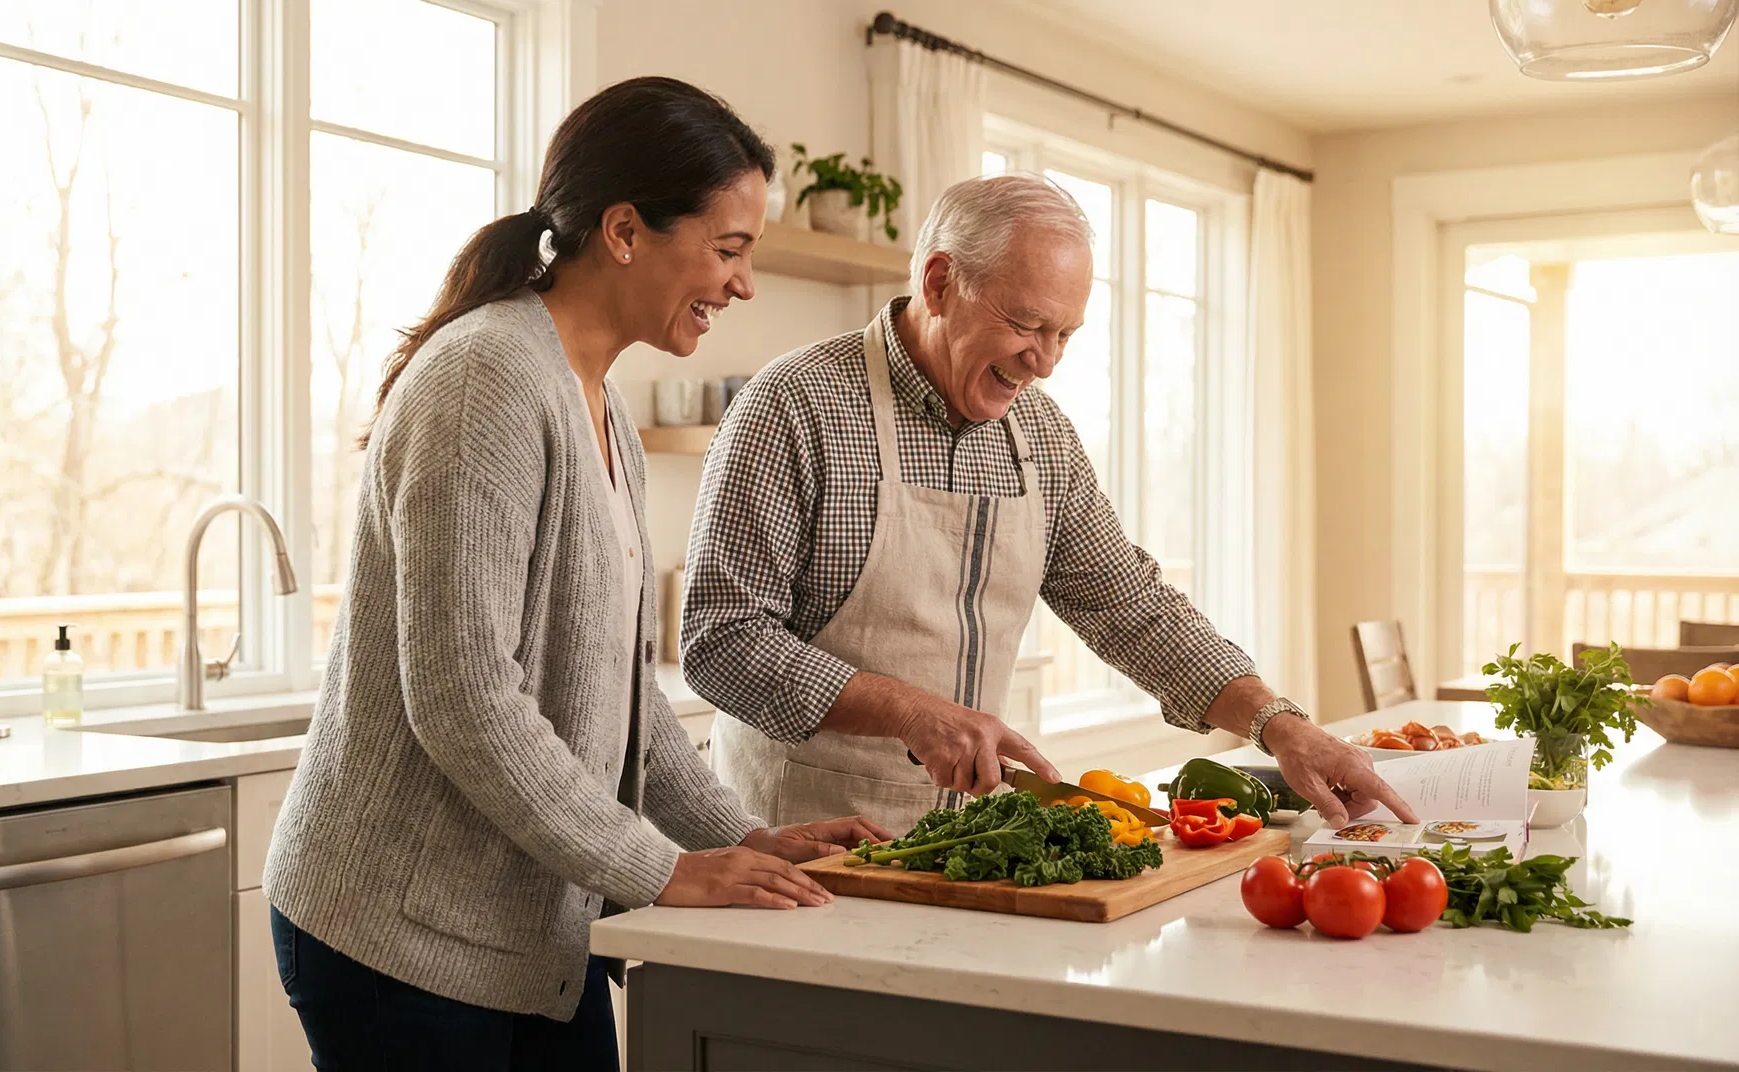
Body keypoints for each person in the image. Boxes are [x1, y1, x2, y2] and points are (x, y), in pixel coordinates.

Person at [262, 76, 889, 1072]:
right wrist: (663, 867)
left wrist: (742, 836)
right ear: (627, 230)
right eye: (728, 248)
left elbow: (620, 689)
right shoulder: (488, 379)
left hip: (527, 932)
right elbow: (467, 699)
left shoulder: (598, 410)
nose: (744, 284)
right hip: (402, 938)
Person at [683, 174, 1419, 836]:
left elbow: (1133, 608)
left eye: (1065, 334)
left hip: (966, 847)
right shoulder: (795, 404)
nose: (1045, 361)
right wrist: (912, 711)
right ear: (940, 283)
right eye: (1028, 325)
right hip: (793, 844)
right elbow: (721, 643)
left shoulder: (1041, 435)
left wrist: (1278, 724)